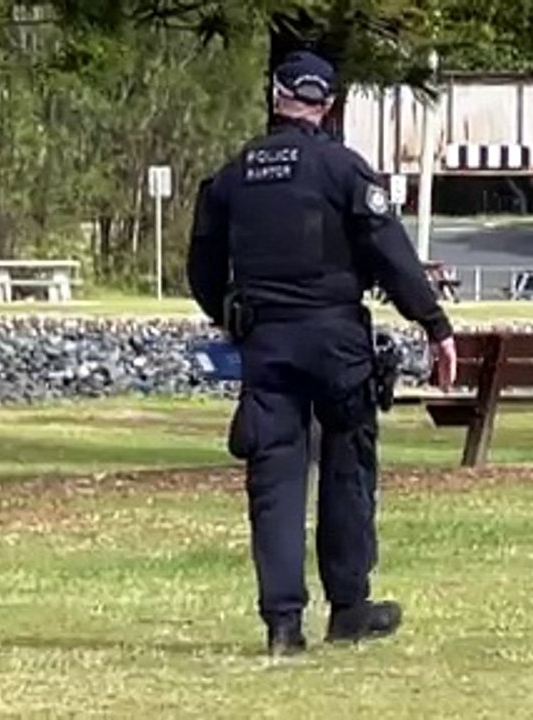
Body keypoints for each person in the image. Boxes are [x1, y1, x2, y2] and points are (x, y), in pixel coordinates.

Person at [186, 50, 457, 657]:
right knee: (347, 469)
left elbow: (202, 270)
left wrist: (231, 317)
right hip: (336, 340)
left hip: (267, 342)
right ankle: (349, 606)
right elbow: (391, 253)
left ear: (275, 96)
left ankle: (282, 623)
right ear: (327, 104)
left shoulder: (233, 176)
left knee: (274, 480)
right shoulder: (342, 169)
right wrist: (434, 325)